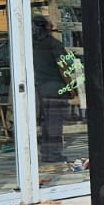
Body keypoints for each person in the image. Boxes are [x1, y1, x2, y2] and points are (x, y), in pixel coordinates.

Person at [31, 14, 68, 166]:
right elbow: (65, 67)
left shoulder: (32, 45)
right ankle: (53, 154)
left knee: (46, 122)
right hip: (56, 88)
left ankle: (46, 152)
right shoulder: (54, 44)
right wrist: (71, 87)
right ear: (47, 27)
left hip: (40, 88)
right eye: (50, 23)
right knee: (54, 122)